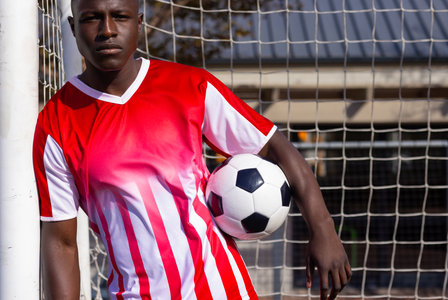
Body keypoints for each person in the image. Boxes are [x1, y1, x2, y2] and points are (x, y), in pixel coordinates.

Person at [33, 0, 351, 299]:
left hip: (222, 289)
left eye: (120, 16)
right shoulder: (56, 122)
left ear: (139, 22)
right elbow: (61, 242)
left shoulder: (188, 86)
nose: (107, 30)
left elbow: (273, 147)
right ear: (73, 27)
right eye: (92, 18)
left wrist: (324, 230)